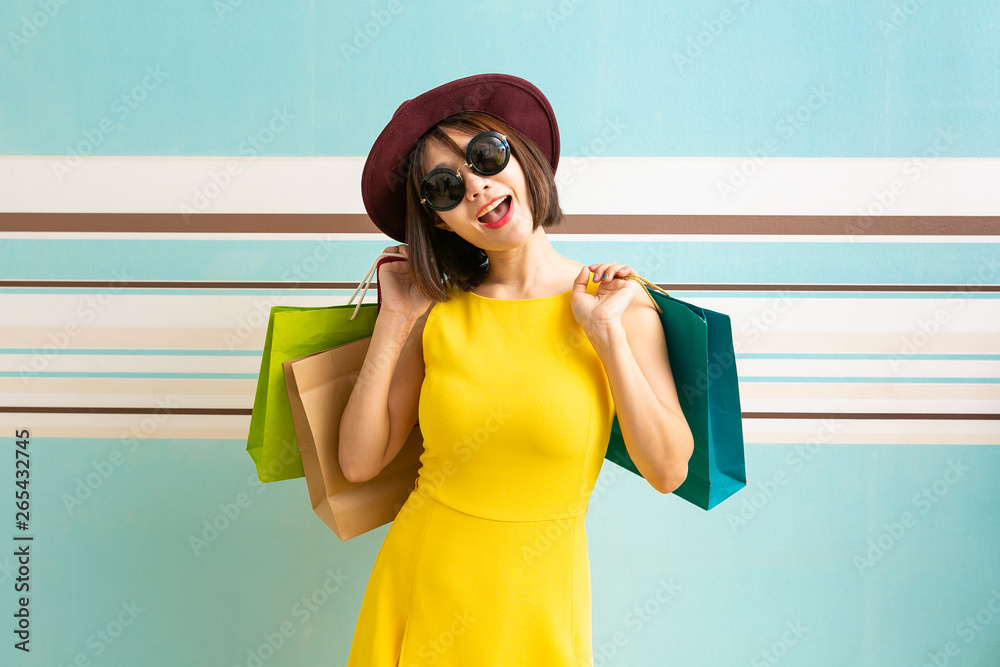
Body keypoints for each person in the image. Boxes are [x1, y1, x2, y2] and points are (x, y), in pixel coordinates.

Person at [340, 73, 693, 666]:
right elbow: (358, 461)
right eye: (445, 187)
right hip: (422, 584)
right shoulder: (437, 314)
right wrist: (393, 322)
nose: (475, 187)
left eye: (485, 157)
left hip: (539, 604)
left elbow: (668, 470)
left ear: (523, 158)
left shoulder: (619, 304)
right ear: (437, 220)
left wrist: (606, 337)